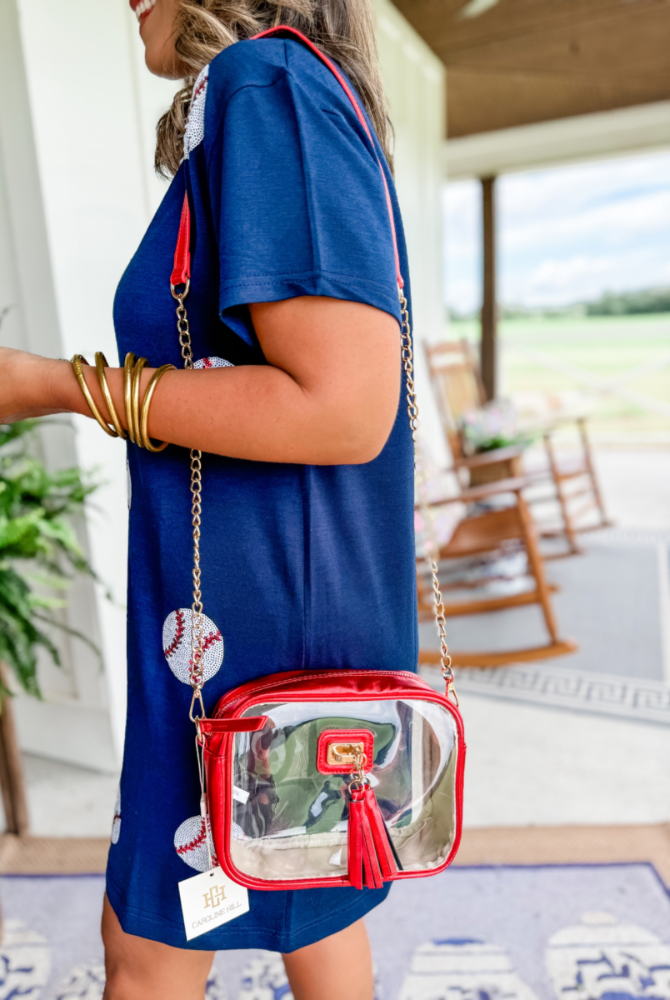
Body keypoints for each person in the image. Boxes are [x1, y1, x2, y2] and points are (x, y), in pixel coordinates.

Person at [0, 0, 417, 996]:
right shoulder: (285, 92)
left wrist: (55, 386)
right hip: (273, 629)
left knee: (146, 950)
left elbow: (342, 405)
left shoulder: (265, 83)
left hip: (243, 654)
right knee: (310, 900)